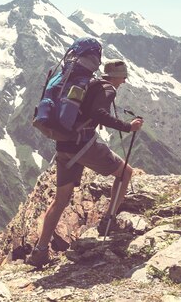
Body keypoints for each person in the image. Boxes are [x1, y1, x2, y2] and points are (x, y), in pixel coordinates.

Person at [28, 59, 143, 268]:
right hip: (83, 146)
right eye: (123, 76)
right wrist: (128, 127)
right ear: (115, 76)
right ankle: (108, 223)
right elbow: (98, 114)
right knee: (126, 173)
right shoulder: (107, 89)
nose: (124, 80)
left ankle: (40, 252)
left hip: (64, 145)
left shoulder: (89, 84)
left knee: (60, 200)